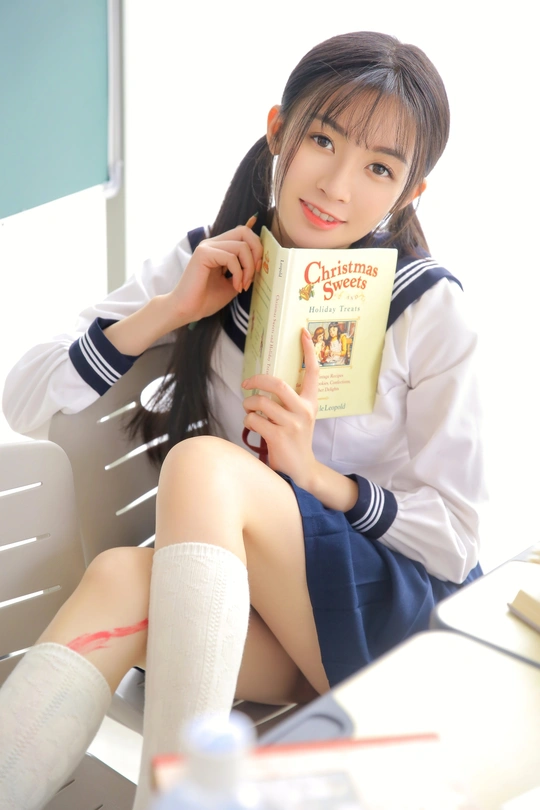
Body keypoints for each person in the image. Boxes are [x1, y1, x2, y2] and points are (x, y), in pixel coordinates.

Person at [0, 30, 486, 810]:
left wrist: (318, 478)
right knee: (119, 577)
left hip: (393, 628)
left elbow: (457, 540)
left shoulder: (430, 311)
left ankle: (182, 802)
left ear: (409, 192)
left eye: (378, 168)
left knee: (202, 464)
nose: (337, 186)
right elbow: (23, 398)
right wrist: (170, 311)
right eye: (323, 140)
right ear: (278, 132)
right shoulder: (214, 257)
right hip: (271, 620)